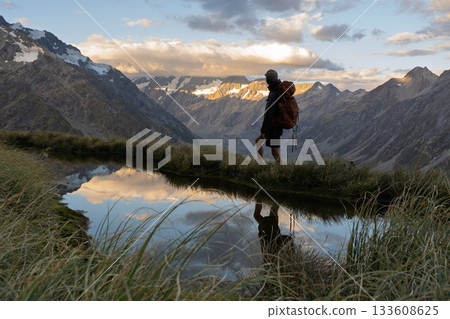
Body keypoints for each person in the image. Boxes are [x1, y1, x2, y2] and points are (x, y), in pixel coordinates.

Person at [255, 69, 283, 164]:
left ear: (268, 80)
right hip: (276, 127)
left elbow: (269, 114)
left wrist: (263, 130)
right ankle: (261, 163)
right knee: (262, 143)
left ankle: (281, 170)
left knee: (274, 151)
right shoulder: (278, 90)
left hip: (273, 128)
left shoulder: (274, 93)